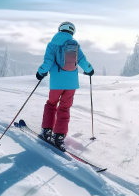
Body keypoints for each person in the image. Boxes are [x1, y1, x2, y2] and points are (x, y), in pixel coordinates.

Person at [35, 21, 94, 150]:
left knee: (51, 105)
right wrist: (89, 70)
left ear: (60, 29)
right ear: (72, 31)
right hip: (71, 84)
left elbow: (48, 61)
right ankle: (59, 135)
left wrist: (41, 72)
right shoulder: (75, 45)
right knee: (64, 108)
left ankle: (46, 131)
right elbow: (82, 61)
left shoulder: (52, 44)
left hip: (56, 84)